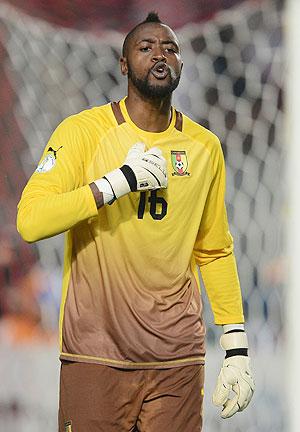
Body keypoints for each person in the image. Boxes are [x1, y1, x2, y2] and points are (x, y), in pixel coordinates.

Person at [17, 12, 254, 432]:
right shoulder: (82, 132)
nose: (160, 55)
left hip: (178, 360)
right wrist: (116, 183)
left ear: (181, 64)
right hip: (97, 354)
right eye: (145, 48)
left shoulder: (204, 147)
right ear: (124, 65)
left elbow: (214, 248)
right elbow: (30, 221)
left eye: (170, 48)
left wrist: (235, 345)